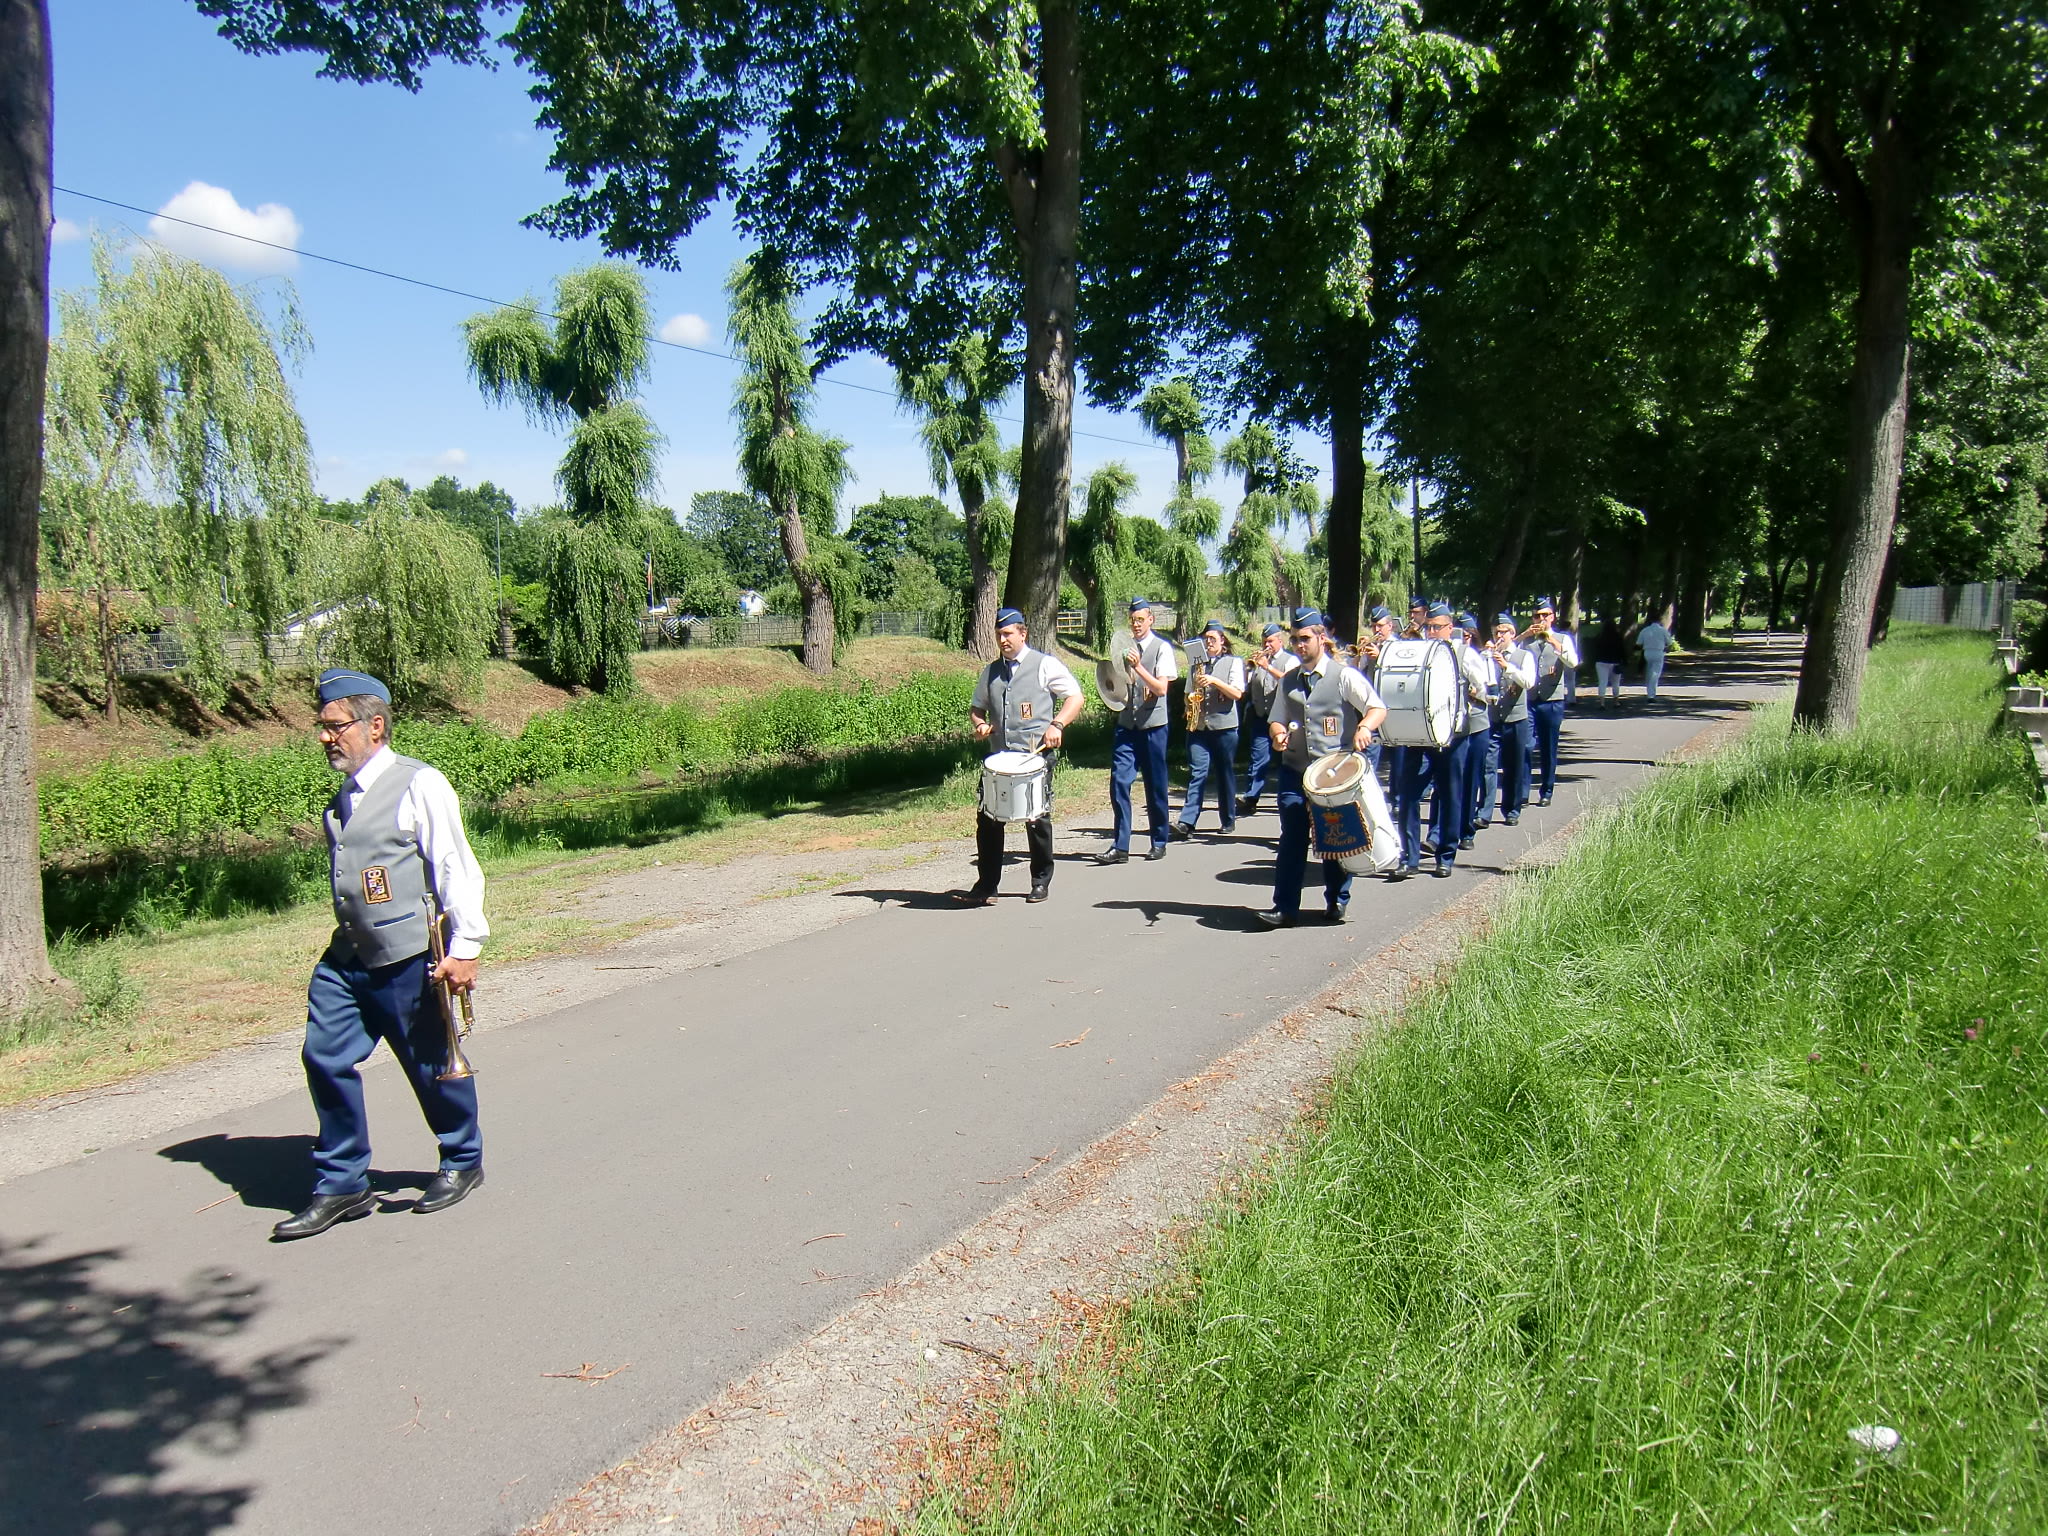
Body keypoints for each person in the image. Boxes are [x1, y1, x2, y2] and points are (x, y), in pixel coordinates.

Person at [273, 669, 489, 1241]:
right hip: (348, 958)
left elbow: (455, 866)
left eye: (335, 726)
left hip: (408, 957)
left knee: (429, 1064)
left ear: (374, 725)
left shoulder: (419, 784)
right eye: (321, 726)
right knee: (324, 1056)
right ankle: (342, 1182)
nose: (325, 737)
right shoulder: (341, 799)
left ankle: (462, 1158)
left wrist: (466, 946)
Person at [1258, 610, 1386, 927]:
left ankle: (1337, 899)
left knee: (1335, 837)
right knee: (1292, 838)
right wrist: (1278, 735)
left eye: (1305, 639)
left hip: (1333, 775)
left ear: (1321, 638)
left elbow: (1376, 707)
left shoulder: (1344, 676)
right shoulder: (1288, 680)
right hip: (1295, 771)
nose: (1299, 645)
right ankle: (1285, 908)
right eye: (1295, 640)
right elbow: (1276, 719)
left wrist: (1364, 727)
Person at [961, 608, 1084, 905]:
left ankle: (1040, 880)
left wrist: (1057, 724)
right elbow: (977, 708)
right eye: (998, 635)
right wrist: (980, 724)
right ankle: (987, 885)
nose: (1002, 640)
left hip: (1034, 758)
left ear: (1022, 634)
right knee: (988, 821)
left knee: (1036, 818)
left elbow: (1075, 697)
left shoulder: (1044, 665)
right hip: (1000, 760)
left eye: (1007, 634)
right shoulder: (991, 671)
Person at [1396, 603, 1492, 878]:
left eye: (1437, 627)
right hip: (1418, 735)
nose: (1431, 632)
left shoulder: (1464, 653)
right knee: (1409, 795)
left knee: (1451, 795)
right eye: (1428, 627)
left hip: (1452, 736)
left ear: (1450, 628)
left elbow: (1483, 688)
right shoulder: (1419, 651)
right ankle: (1409, 857)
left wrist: (1468, 697)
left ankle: (1446, 856)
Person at [1096, 597, 1178, 863]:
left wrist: (1139, 666)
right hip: (1127, 726)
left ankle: (1159, 840)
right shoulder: (1124, 648)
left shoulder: (1162, 648)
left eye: (1141, 619)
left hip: (1153, 725)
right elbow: (1117, 685)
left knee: (1155, 785)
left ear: (1151, 620)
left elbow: (1161, 689)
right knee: (1119, 782)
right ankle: (1120, 846)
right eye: (1132, 620)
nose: (1136, 624)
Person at [1172, 621, 1247, 838]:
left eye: (1213, 639)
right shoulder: (1196, 665)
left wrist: (1214, 681)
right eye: (1205, 639)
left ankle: (1228, 819)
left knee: (1224, 773)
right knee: (1197, 773)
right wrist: (1189, 704)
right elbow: (1188, 693)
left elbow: (1237, 693)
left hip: (1224, 727)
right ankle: (1187, 822)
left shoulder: (1233, 662)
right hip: (1199, 727)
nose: (1208, 642)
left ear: (1222, 640)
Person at [1522, 596, 1579, 806]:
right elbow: (1509, 654)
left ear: (1552, 617)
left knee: (1548, 747)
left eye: (1545, 615)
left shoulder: (1563, 639)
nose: (1541, 619)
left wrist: (1553, 642)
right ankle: (1522, 793)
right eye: (1537, 616)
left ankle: (1546, 790)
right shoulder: (1527, 641)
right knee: (1525, 746)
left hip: (1551, 700)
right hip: (1529, 700)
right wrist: (1524, 635)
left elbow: (1573, 662)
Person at [1235, 624, 1297, 816]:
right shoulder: (1260, 661)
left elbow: (1289, 680)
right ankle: (1250, 798)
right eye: (1264, 642)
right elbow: (1249, 685)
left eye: (1270, 641)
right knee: (1257, 758)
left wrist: (1267, 667)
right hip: (1261, 716)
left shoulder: (1290, 660)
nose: (1266, 645)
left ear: (1280, 641)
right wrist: (1248, 669)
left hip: (1283, 718)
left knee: (1285, 759)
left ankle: (1288, 797)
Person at [1485, 614, 1537, 825]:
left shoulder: (1524, 656)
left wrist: (1507, 666)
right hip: (1493, 718)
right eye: (1496, 632)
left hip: (1516, 718)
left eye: (1503, 632)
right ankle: (1484, 812)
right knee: (1488, 766)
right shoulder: (1488, 656)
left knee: (1513, 766)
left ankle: (1512, 809)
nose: (1499, 636)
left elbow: (1529, 682)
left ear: (1512, 633)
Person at [1454, 612, 1496, 845]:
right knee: (1448, 781)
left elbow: (1486, 689)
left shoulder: (1478, 657)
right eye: (1462, 635)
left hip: (1475, 723)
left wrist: (1476, 691)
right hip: (1450, 726)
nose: (1465, 639)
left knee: (1471, 779)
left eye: (1468, 635)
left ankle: (1466, 830)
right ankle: (1440, 833)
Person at [1637, 609, 1672, 700]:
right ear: (1659, 620)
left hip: (1647, 652)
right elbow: (1669, 643)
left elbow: (1639, 643)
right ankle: (1651, 694)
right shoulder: (1663, 630)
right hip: (1658, 652)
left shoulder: (1645, 630)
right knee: (1655, 673)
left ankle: (1649, 691)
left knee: (1649, 671)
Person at [1593, 615, 1627, 706]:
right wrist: (1624, 660)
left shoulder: (1599, 636)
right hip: (1615, 662)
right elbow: (1622, 650)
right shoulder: (1618, 636)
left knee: (1602, 682)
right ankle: (1616, 701)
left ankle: (1602, 703)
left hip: (1601, 661)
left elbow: (1595, 650)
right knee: (1615, 683)